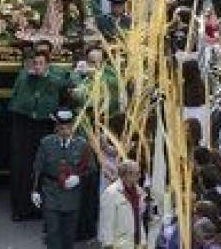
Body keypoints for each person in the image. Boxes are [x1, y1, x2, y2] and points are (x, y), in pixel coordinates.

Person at [8, 50, 64, 221]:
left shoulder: (54, 80)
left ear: (47, 64)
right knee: (23, 168)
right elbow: (17, 102)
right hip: (25, 129)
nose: (37, 66)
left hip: (44, 128)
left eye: (41, 63)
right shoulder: (23, 78)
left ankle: (42, 208)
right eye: (35, 63)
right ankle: (21, 208)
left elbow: (57, 101)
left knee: (43, 166)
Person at [32, 108, 92, 249]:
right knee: (53, 233)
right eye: (61, 128)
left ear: (72, 127)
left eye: (68, 127)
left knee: (68, 235)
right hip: (51, 192)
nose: (64, 131)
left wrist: (79, 178)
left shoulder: (82, 144)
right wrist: (35, 190)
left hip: (72, 195)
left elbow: (90, 169)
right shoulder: (46, 143)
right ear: (56, 127)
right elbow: (38, 168)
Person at [98, 159, 147, 249]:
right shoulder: (111, 193)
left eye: (139, 173)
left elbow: (139, 219)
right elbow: (107, 222)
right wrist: (108, 244)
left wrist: (143, 241)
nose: (139, 176)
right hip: (119, 245)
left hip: (136, 243)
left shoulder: (139, 192)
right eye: (136, 173)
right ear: (126, 175)